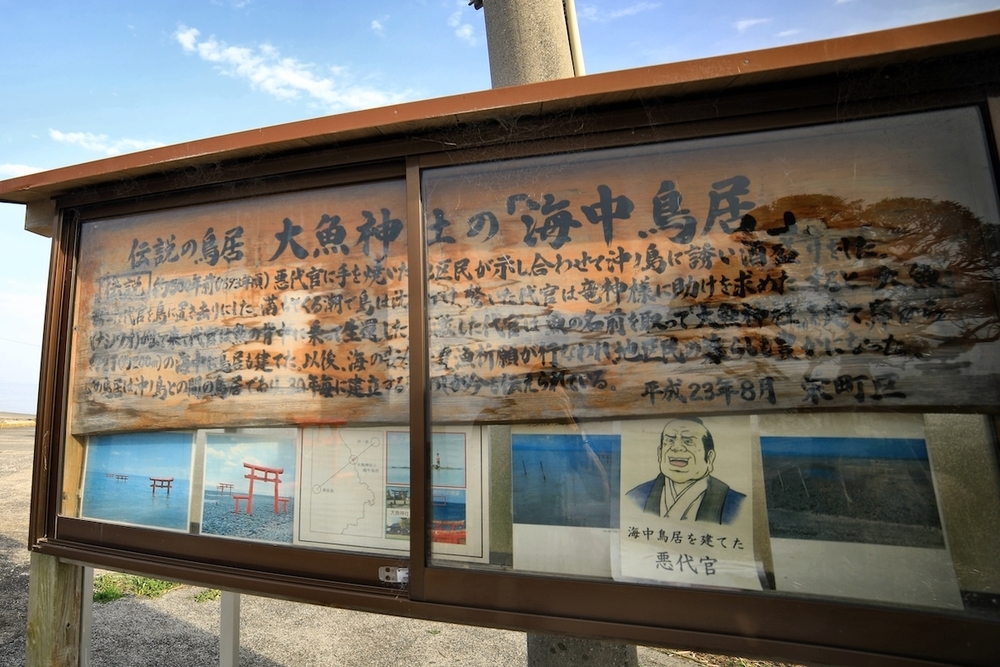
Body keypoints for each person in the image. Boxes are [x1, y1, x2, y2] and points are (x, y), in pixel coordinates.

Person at [625, 417, 744, 525]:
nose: (677, 447)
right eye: (670, 440)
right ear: (660, 453)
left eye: (688, 441)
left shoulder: (737, 503)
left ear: (709, 457)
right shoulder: (635, 496)